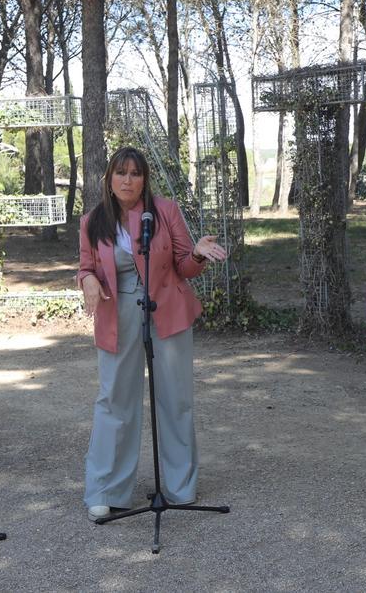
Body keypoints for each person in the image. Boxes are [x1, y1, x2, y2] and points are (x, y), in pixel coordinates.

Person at [78, 147, 227, 523]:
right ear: (109, 179)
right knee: (114, 400)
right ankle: (106, 490)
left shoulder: (165, 211)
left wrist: (196, 254)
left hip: (167, 309)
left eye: (135, 173)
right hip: (118, 312)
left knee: (176, 400)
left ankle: (180, 486)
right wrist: (89, 280)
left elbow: (183, 266)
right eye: (120, 173)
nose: (127, 180)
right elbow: (84, 267)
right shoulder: (92, 221)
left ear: (145, 179)